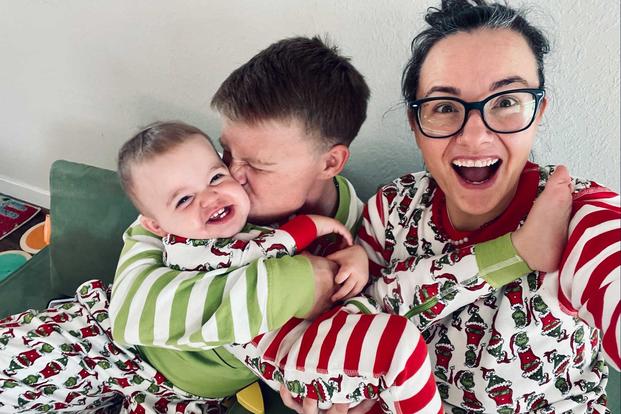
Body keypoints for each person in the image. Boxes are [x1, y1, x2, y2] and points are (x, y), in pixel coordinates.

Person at [344, 1, 619, 412]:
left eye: (507, 102)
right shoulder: (391, 209)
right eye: (444, 107)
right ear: (415, 124)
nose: (474, 136)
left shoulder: (578, 217)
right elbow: (358, 317)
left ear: (539, 110)